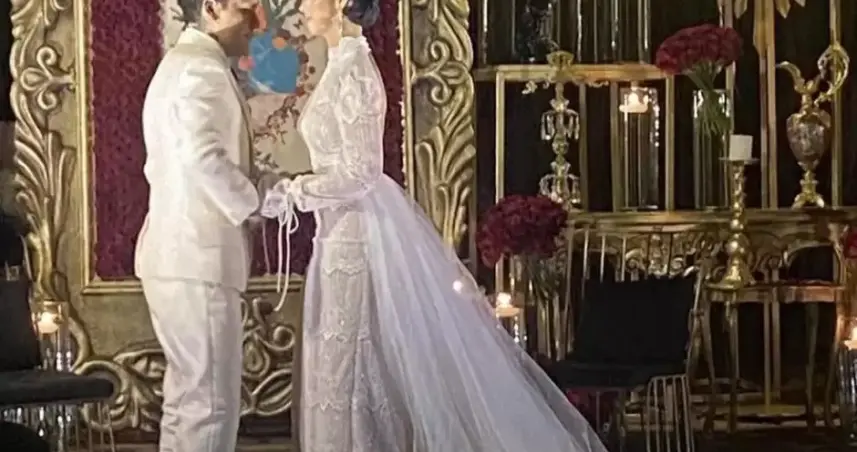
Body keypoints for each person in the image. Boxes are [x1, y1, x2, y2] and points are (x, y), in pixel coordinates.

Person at [259, 0, 609, 450]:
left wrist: (294, 192)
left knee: (346, 367)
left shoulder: (355, 71)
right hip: (337, 234)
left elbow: (361, 173)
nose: (302, 6)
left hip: (354, 238)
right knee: (339, 366)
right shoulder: (340, 64)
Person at [135, 1, 262, 450]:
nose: (258, 22)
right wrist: (254, 201)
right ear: (212, 8)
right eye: (247, 9)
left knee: (188, 402)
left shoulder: (183, 64)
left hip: (179, 256)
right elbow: (201, 157)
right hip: (196, 256)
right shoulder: (199, 69)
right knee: (208, 406)